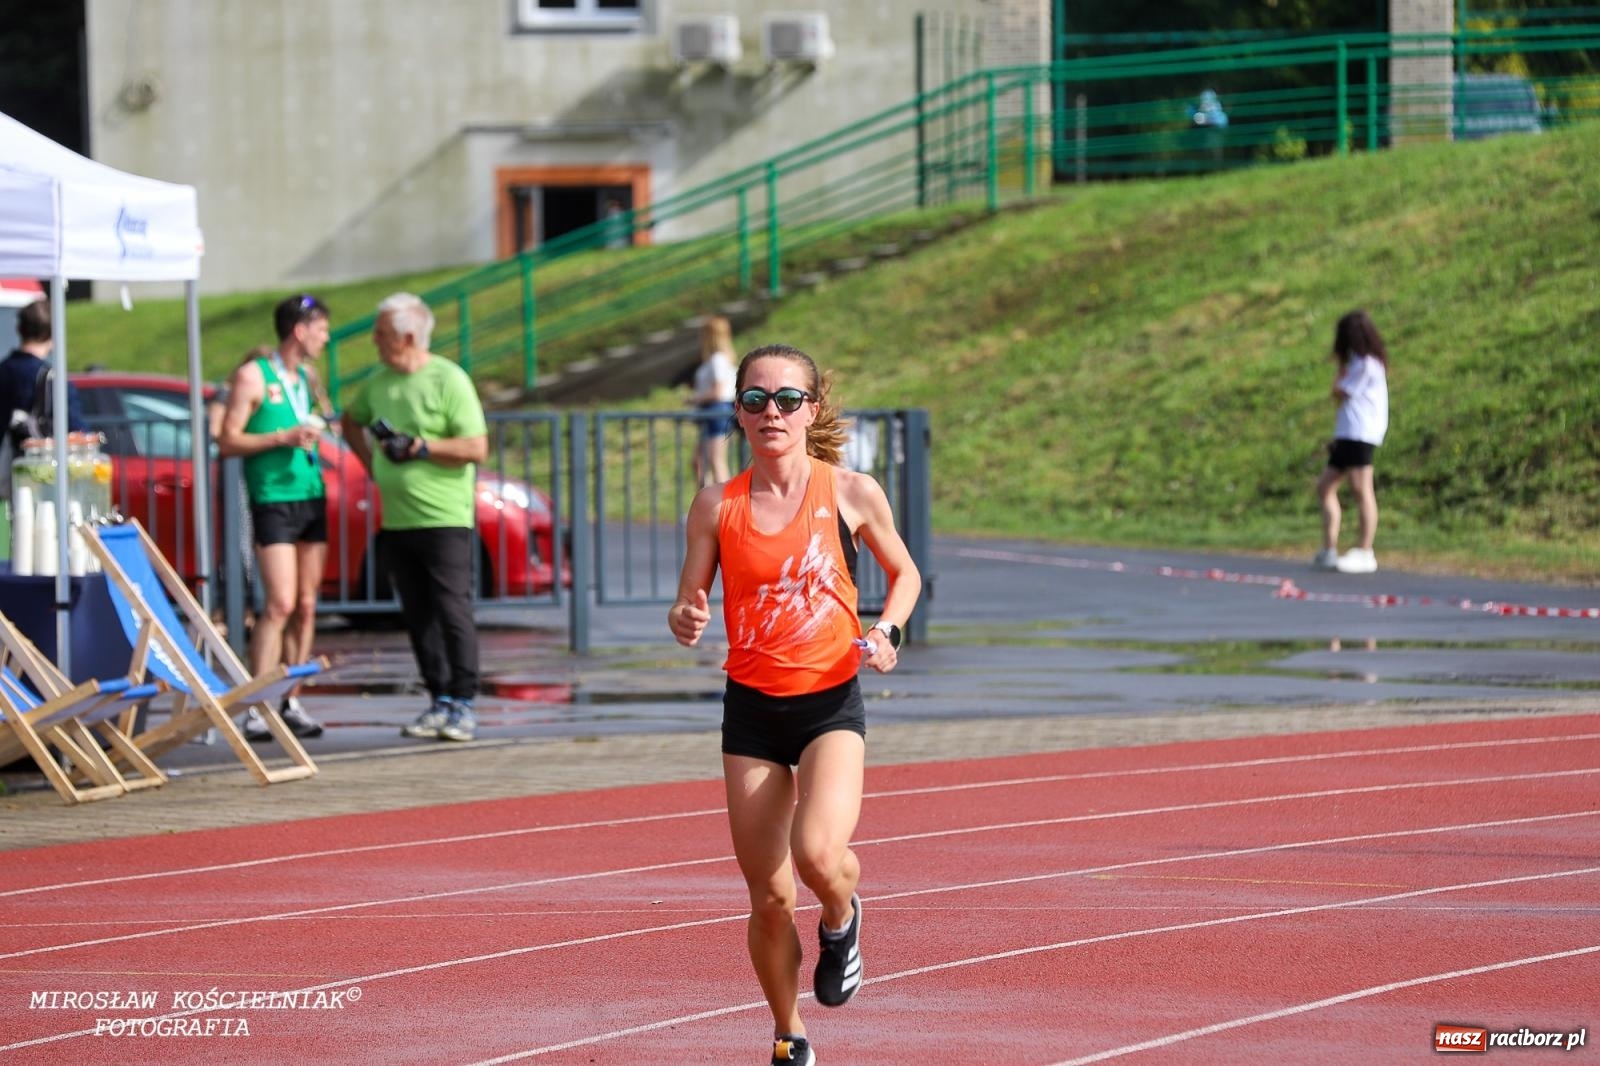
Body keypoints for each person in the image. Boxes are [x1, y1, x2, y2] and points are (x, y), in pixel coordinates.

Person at [667, 343, 921, 1066]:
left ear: (812, 410)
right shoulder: (718, 505)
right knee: (769, 896)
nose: (770, 412)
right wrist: (685, 617)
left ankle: (842, 916)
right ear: (738, 412)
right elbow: (689, 600)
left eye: (785, 399)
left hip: (828, 704)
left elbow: (904, 575)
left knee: (816, 855)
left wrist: (886, 631)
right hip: (750, 710)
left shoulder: (850, 491)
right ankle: (788, 1035)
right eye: (754, 399)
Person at [341, 293, 488, 743]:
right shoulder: (378, 382)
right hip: (398, 519)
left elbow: (476, 447)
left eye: (381, 333)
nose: (374, 341)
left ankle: (463, 701)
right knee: (418, 613)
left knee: (451, 608)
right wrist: (373, 465)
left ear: (406, 336)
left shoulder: (449, 378)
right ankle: (438, 698)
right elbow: (350, 421)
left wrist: (422, 447)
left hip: (444, 517)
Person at [216, 297, 336, 741]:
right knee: (280, 603)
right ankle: (254, 702)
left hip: (310, 493)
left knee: (307, 606)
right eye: (321, 329)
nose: (325, 337)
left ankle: (290, 699)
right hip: (272, 499)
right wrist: (281, 436)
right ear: (300, 331)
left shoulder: (305, 377)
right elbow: (228, 440)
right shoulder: (254, 375)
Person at [1313, 310, 1390, 575]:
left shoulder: (1367, 364)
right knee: (1325, 486)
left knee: (1361, 488)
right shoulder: (1357, 362)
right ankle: (1329, 548)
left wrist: (1339, 376)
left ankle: (1365, 550)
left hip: (1361, 432)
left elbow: (1340, 391)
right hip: (1347, 432)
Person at [0, 297, 88, 499]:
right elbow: (77, 429)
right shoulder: (53, 379)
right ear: (53, 333)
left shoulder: (3, 371)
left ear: (19, 330)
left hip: (9, 472)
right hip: (47, 476)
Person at [689, 314, 737, 488]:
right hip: (713, 412)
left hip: (717, 411)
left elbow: (719, 391)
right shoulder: (719, 359)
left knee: (717, 461)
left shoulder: (718, 360)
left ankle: (726, 508)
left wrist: (695, 398)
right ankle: (707, 505)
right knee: (700, 462)